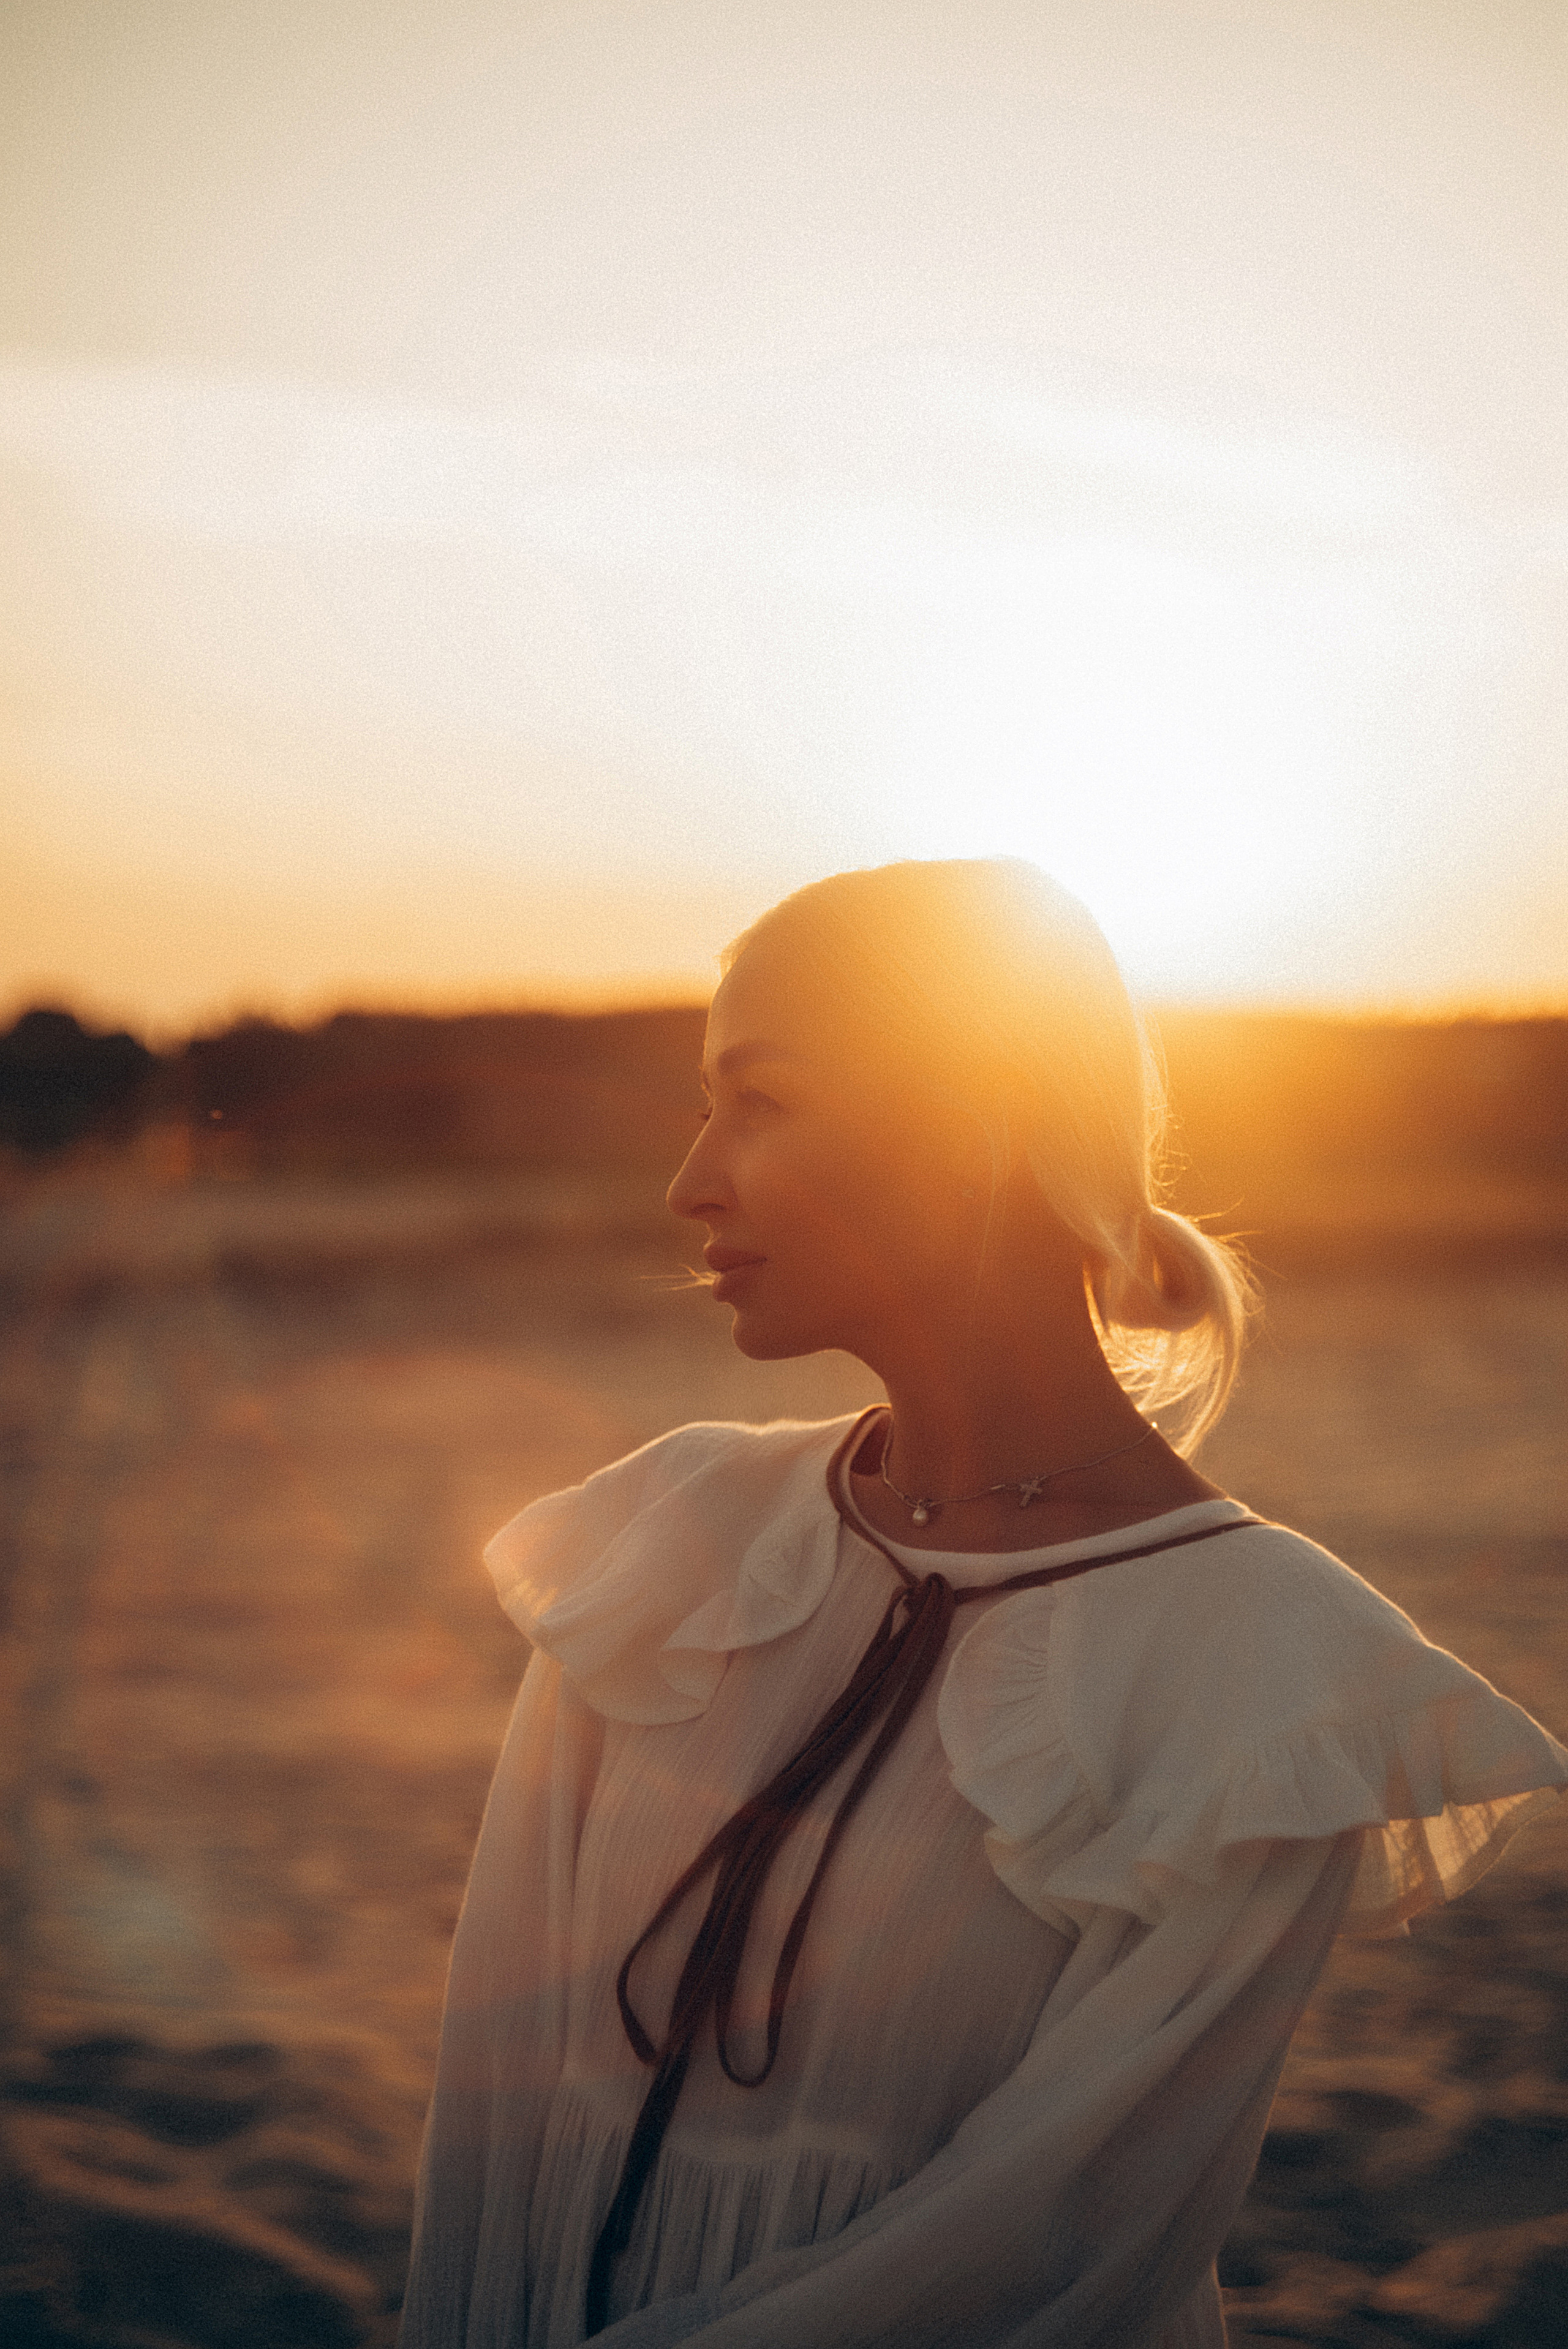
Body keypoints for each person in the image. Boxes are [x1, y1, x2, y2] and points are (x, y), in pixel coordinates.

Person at [399, 859, 1567, 2349]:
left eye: (757, 1099)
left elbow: (1057, 2247)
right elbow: (489, 2100)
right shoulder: (669, 1540)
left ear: (976, 1123)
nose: (690, 1181)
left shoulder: (1264, 1685)